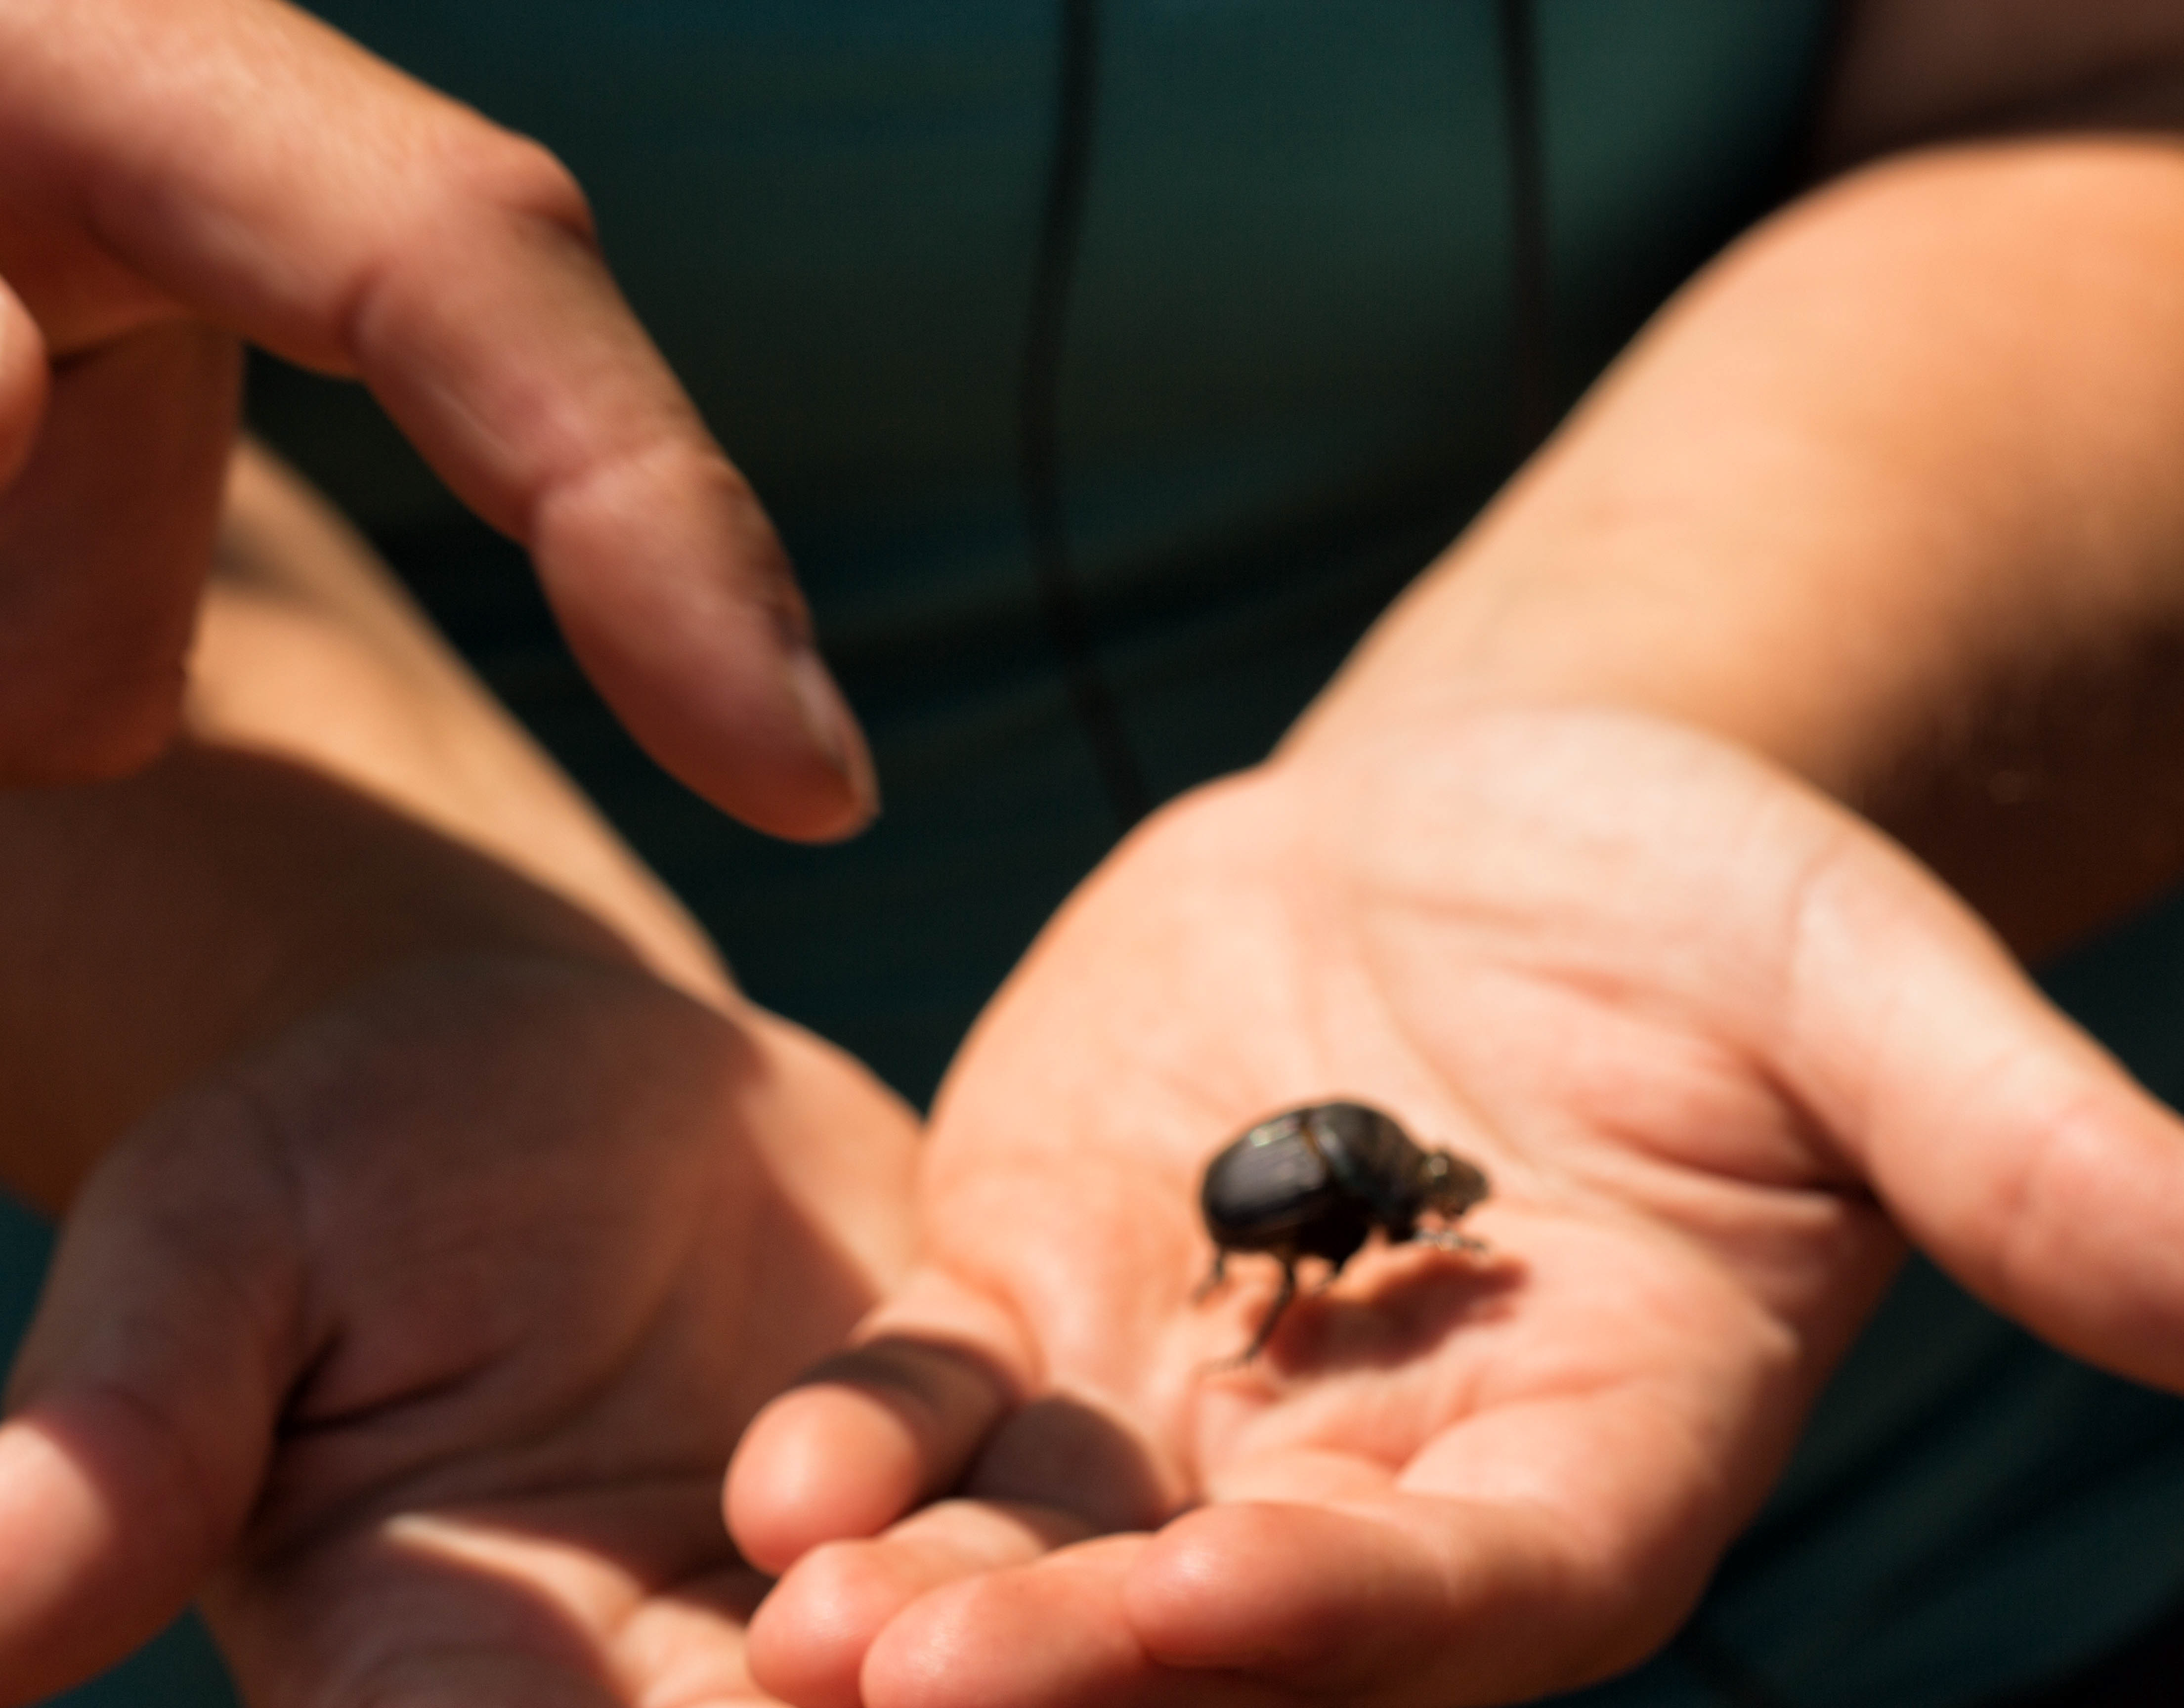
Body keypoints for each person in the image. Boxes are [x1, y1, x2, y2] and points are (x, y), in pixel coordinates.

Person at [6, 2, 2184, 1706]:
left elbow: (2121, 89)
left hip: (1961, 1547)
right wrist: (297, 969)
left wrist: (1652, 718)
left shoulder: (1369, 1184)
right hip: (438, 1469)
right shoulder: (1350, 1190)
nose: (1421, 1223)